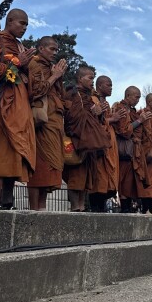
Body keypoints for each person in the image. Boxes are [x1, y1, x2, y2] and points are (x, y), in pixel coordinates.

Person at [0, 9, 36, 210]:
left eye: (27, 24)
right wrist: (18, 62)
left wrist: (26, 67)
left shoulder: (21, 46)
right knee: (0, 154)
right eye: (21, 23)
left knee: (14, 155)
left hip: (20, 106)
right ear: (9, 21)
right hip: (2, 105)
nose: (25, 27)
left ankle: (8, 202)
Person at [62, 66, 113, 212]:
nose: (92, 81)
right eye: (90, 78)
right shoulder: (72, 94)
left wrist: (98, 113)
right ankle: (75, 208)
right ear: (80, 79)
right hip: (77, 140)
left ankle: (82, 206)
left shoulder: (89, 96)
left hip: (89, 141)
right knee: (75, 175)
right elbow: (71, 118)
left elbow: (94, 119)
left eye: (93, 77)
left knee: (85, 176)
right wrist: (92, 112)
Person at [27, 36, 68, 211]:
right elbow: (36, 91)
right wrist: (55, 75)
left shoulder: (49, 68)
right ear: (41, 48)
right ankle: (34, 208)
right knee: (41, 165)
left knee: (51, 165)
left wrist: (58, 77)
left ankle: (42, 208)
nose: (54, 52)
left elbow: (61, 96)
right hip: (42, 123)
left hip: (55, 122)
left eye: (56, 50)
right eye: (51, 49)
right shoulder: (34, 64)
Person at [113, 86, 152, 213]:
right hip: (124, 151)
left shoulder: (132, 110)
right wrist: (140, 120)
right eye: (136, 97)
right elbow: (124, 131)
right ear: (128, 95)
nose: (138, 100)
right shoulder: (121, 108)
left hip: (133, 151)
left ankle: (128, 208)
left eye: (139, 97)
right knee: (123, 182)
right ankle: (124, 209)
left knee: (129, 183)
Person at [90, 75, 125, 211]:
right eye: (108, 85)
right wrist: (113, 119)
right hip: (99, 146)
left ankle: (102, 208)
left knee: (108, 181)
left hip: (109, 145)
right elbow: (93, 122)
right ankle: (95, 209)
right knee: (99, 178)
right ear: (99, 86)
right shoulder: (93, 99)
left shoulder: (106, 103)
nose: (111, 88)